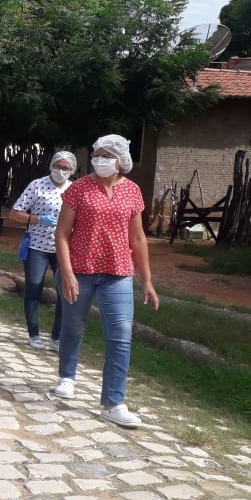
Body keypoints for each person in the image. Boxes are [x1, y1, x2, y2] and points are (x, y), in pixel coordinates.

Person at [54, 134, 159, 429]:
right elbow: (61, 234)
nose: (99, 159)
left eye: (106, 155)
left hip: (118, 273)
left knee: (121, 336)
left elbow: (138, 239)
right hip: (81, 270)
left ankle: (113, 402)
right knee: (73, 326)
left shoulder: (132, 192)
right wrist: (67, 273)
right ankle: (67, 376)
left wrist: (147, 281)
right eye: (96, 154)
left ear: (120, 160)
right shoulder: (79, 189)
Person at [9, 151, 77, 351]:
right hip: (37, 246)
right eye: (58, 166)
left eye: (65, 168)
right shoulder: (37, 185)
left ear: (71, 170)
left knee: (65, 292)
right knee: (34, 288)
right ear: (51, 166)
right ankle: (34, 334)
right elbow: (15, 213)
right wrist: (37, 219)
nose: (61, 171)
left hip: (62, 248)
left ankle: (57, 338)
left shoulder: (75, 189)